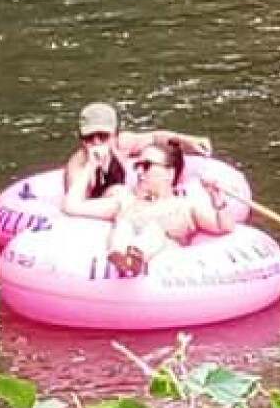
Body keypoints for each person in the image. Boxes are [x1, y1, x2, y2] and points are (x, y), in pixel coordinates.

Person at [105, 141, 236, 277]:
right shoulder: (125, 200)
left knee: (155, 231)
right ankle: (119, 254)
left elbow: (226, 227)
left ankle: (135, 256)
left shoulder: (185, 206)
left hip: (164, 260)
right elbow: (81, 208)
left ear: (170, 173)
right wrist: (89, 163)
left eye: (146, 166)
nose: (138, 171)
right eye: (137, 165)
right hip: (124, 247)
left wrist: (215, 195)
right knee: (123, 226)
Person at [62, 103, 213, 220]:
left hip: (126, 203)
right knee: (119, 192)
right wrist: (91, 165)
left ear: (115, 134)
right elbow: (74, 205)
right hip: (102, 210)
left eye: (102, 136)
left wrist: (187, 141)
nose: (96, 142)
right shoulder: (77, 166)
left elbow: (155, 137)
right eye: (89, 137)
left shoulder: (122, 144)